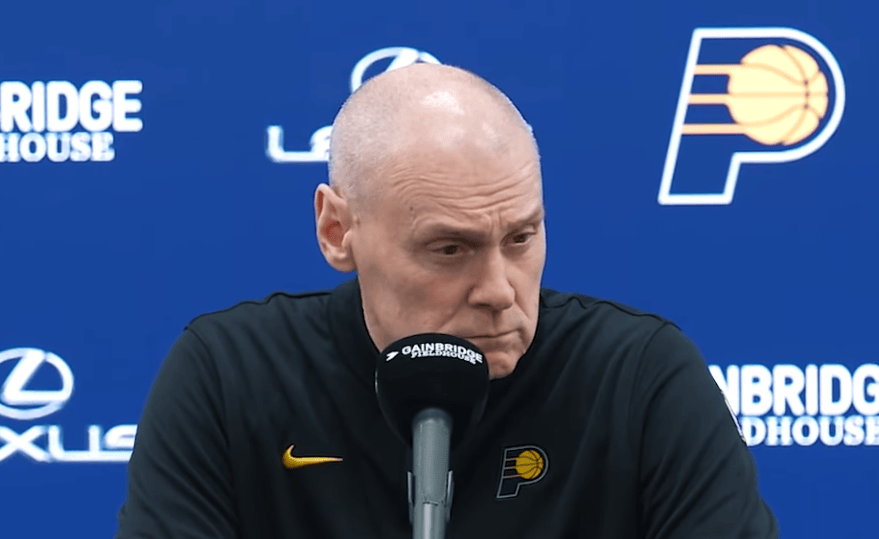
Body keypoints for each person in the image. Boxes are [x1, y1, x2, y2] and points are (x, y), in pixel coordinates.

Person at [115, 63, 779, 539]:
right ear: (337, 231)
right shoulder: (229, 377)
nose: (499, 290)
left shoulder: (638, 378)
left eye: (521, 238)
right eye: (449, 249)